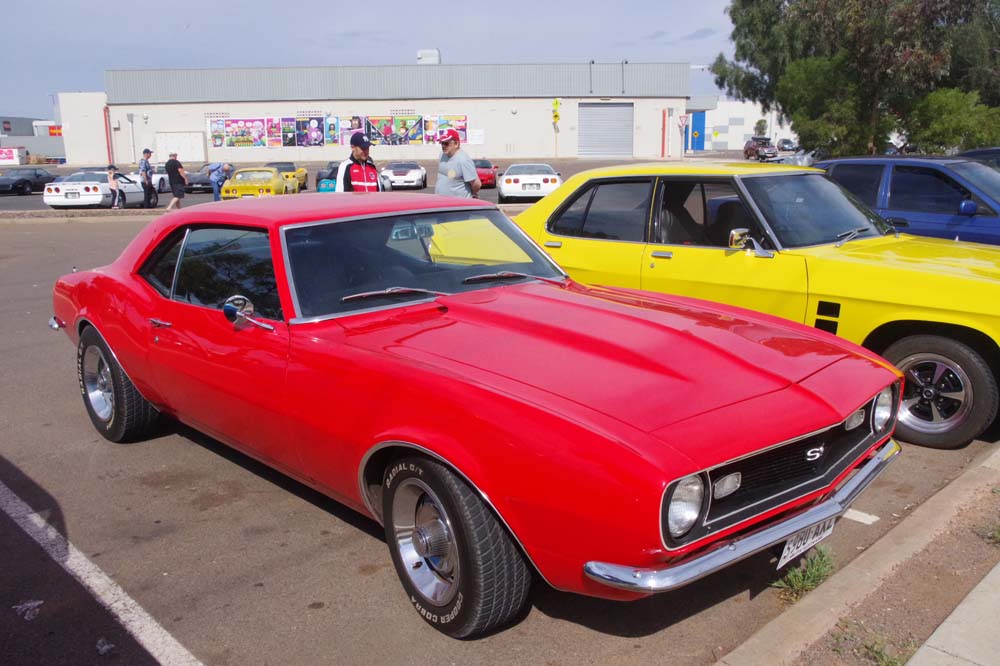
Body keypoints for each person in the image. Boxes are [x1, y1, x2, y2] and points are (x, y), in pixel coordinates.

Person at [435, 128, 480, 198]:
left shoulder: (463, 160)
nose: (443, 146)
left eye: (446, 143)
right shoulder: (442, 154)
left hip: (457, 203)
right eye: (442, 143)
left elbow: (476, 184)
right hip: (440, 201)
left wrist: (473, 195)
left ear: (456, 144)